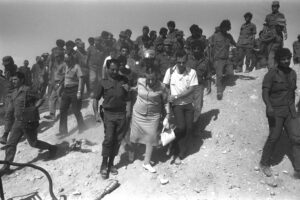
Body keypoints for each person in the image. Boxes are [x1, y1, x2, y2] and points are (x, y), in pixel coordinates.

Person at [0, 72, 57, 175]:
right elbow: (12, 108)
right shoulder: (14, 93)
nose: (13, 81)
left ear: (21, 80)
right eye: (12, 79)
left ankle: (52, 148)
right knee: (10, 144)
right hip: (18, 122)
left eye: (15, 79)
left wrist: (35, 107)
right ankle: (6, 166)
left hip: (28, 121)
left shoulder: (28, 90)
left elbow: (41, 98)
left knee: (33, 143)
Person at [259, 48, 300, 179]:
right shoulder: (271, 73)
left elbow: (292, 92)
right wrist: (269, 106)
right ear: (278, 60)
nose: (286, 61)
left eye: (288, 58)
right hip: (275, 110)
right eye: (283, 59)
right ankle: (264, 163)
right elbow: (265, 92)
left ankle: (298, 168)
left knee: (296, 138)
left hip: (290, 111)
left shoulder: (293, 73)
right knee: (274, 136)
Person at [92, 59, 131, 179]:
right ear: (107, 69)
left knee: (118, 140)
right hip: (108, 114)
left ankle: (111, 163)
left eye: (116, 69)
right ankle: (104, 164)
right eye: (112, 69)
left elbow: (128, 98)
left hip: (121, 114)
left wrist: (128, 111)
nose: (114, 71)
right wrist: (96, 114)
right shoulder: (102, 82)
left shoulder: (124, 80)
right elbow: (95, 99)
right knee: (109, 139)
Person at [130, 69, 170, 173]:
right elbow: (135, 89)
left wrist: (167, 116)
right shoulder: (140, 81)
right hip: (138, 114)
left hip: (153, 117)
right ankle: (132, 151)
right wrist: (130, 89)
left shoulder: (162, 87)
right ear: (145, 77)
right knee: (134, 136)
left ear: (157, 77)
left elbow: (166, 102)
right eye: (148, 79)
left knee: (151, 138)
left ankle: (146, 162)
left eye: (153, 79)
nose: (151, 82)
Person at [163, 50, 198, 165]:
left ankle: (179, 150)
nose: (182, 65)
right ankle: (173, 146)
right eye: (179, 62)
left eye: (184, 62)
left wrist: (177, 95)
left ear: (186, 61)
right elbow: (165, 86)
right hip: (176, 105)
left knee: (189, 128)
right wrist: (168, 96)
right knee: (182, 127)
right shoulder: (170, 71)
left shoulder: (192, 72)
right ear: (176, 61)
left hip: (188, 104)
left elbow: (192, 89)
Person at [59, 41, 86, 135]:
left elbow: (81, 80)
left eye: (67, 60)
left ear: (71, 59)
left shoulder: (76, 67)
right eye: (65, 60)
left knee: (76, 110)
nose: (66, 62)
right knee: (62, 110)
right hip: (66, 91)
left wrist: (79, 92)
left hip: (74, 90)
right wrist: (60, 87)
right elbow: (64, 78)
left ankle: (82, 127)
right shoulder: (65, 66)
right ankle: (63, 131)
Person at [209, 19, 236, 100]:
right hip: (218, 59)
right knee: (219, 75)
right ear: (221, 27)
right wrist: (211, 59)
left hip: (227, 59)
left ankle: (222, 81)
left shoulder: (229, 36)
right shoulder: (215, 36)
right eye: (224, 27)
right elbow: (208, 44)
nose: (225, 29)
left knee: (230, 74)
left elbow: (235, 44)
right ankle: (219, 92)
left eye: (227, 27)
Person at [186, 40, 211, 122]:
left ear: (202, 49)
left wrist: (209, 86)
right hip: (187, 86)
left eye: (198, 49)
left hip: (199, 86)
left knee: (198, 106)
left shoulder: (206, 61)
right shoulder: (187, 59)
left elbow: (208, 74)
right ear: (192, 50)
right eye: (194, 49)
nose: (196, 50)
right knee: (186, 106)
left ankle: (193, 124)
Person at [44, 49, 66, 121]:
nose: (57, 58)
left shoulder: (64, 64)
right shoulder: (55, 65)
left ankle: (64, 113)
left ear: (61, 56)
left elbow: (64, 76)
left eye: (58, 56)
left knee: (60, 98)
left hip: (61, 83)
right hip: (55, 83)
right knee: (51, 98)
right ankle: (52, 115)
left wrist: (59, 84)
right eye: (56, 57)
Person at [0, 56, 17, 144]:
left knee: (13, 114)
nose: (6, 66)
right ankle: (6, 135)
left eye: (8, 64)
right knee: (8, 114)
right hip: (8, 96)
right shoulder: (6, 72)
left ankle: (7, 134)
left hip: (16, 95)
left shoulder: (16, 72)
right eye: (5, 65)